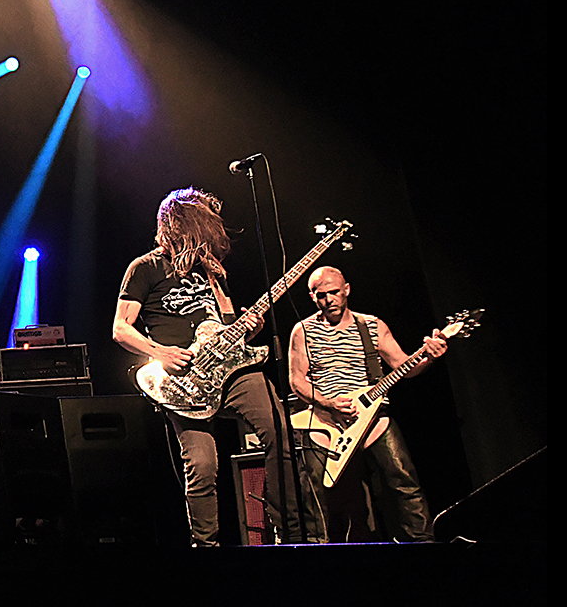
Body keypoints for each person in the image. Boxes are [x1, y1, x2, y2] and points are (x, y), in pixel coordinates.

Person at [113, 187, 313, 545]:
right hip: (181, 379)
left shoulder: (212, 271)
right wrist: (161, 352)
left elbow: (227, 321)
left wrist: (249, 327)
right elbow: (121, 329)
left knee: (279, 431)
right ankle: (207, 548)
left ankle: (290, 535)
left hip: (233, 370)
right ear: (183, 225)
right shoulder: (144, 268)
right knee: (202, 465)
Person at [288, 265, 447, 542]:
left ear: (347, 290)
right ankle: (318, 550)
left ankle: (423, 543)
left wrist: (430, 357)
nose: (329, 300)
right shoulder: (302, 331)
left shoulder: (372, 325)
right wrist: (328, 403)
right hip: (326, 422)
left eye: (334, 292)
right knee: (313, 490)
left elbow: (403, 366)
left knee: (404, 480)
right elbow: (296, 381)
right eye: (321, 295)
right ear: (312, 297)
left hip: (372, 418)